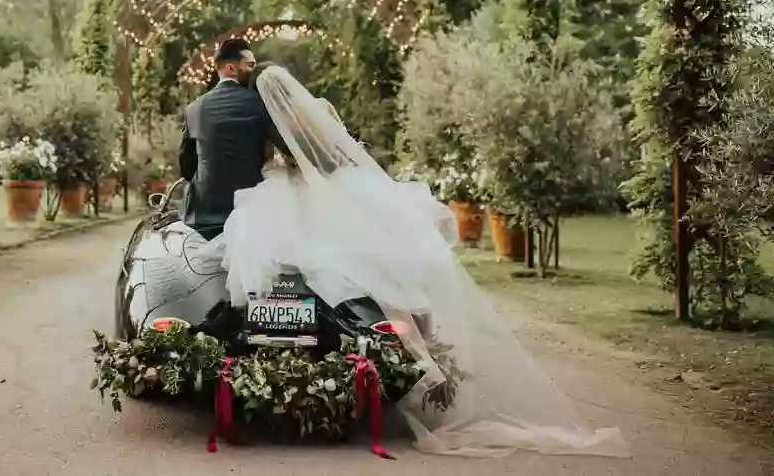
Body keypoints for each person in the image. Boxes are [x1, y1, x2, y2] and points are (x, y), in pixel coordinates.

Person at [202, 62, 630, 459]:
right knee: (369, 268)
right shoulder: (309, 113)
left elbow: (286, 161)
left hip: (302, 193)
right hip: (327, 191)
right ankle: (414, 357)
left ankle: (401, 355)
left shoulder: (271, 120)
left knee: (314, 260)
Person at [178, 40, 287, 241]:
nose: (255, 72)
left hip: (204, 217)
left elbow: (187, 167)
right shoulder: (259, 104)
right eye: (250, 65)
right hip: (251, 215)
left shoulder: (194, 108)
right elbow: (287, 148)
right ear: (231, 68)